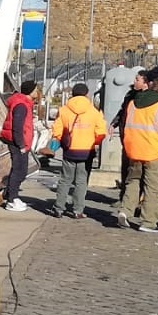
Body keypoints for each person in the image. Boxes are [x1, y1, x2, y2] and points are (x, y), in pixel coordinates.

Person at [115, 73, 158, 229]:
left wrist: (127, 147)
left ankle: (125, 211)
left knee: (133, 183)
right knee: (153, 189)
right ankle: (148, 222)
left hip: (134, 151)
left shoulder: (132, 104)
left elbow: (124, 127)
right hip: (155, 153)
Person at [49, 82, 109, 219]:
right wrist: (95, 143)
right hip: (87, 151)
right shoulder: (94, 111)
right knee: (81, 181)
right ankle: (78, 210)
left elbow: (57, 130)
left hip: (69, 150)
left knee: (65, 180)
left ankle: (59, 208)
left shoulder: (64, 110)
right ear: (87, 94)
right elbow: (101, 132)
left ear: (72, 94)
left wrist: (58, 142)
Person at [0, 80, 40, 211]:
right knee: (19, 170)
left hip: (21, 141)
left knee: (20, 170)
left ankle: (11, 195)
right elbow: (17, 126)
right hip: (18, 142)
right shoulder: (21, 105)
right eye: (35, 90)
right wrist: (21, 144)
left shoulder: (24, 103)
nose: (37, 92)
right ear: (30, 91)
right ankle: (12, 199)